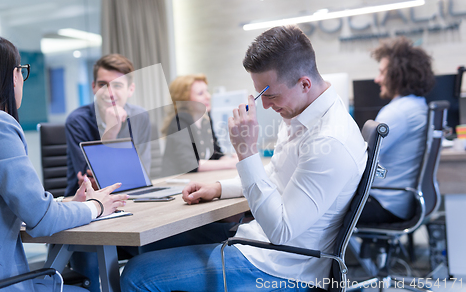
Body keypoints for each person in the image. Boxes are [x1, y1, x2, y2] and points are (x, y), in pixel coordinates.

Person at [120, 25, 367, 291]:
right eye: (261, 95)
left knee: (138, 274)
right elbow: (274, 177)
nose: (265, 106)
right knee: (145, 245)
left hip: (281, 268)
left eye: (270, 95)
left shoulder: (329, 141)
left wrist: (247, 152)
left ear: (304, 83)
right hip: (261, 245)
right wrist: (219, 188)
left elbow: (281, 231)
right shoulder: (301, 112)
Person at [0, 33, 127, 291]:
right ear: (11, 76)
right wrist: (96, 206)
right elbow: (41, 220)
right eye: (21, 71)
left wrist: (69, 205)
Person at [358, 37, 435, 224]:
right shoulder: (417, 106)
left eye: (382, 73)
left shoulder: (398, 112)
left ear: (397, 74)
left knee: (323, 215)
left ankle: (353, 255)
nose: (377, 79)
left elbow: (360, 157)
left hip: (386, 203)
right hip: (401, 202)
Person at [64, 54, 151, 197]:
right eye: (102, 84)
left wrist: (109, 174)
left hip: (133, 195)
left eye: (117, 85)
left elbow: (142, 172)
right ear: (93, 87)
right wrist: (111, 131)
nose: (109, 93)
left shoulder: (140, 116)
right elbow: (93, 181)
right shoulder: (77, 121)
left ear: (130, 89)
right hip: (86, 202)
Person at [161, 74, 238, 176]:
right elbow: (190, 164)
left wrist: (232, 159)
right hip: (177, 183)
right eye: (201, 93)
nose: (208, 96)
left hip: (199, 179)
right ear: (185, 100)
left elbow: (216, 154)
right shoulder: (180, 122)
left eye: (207, 91)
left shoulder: (206, 119)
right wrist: (228, 164)